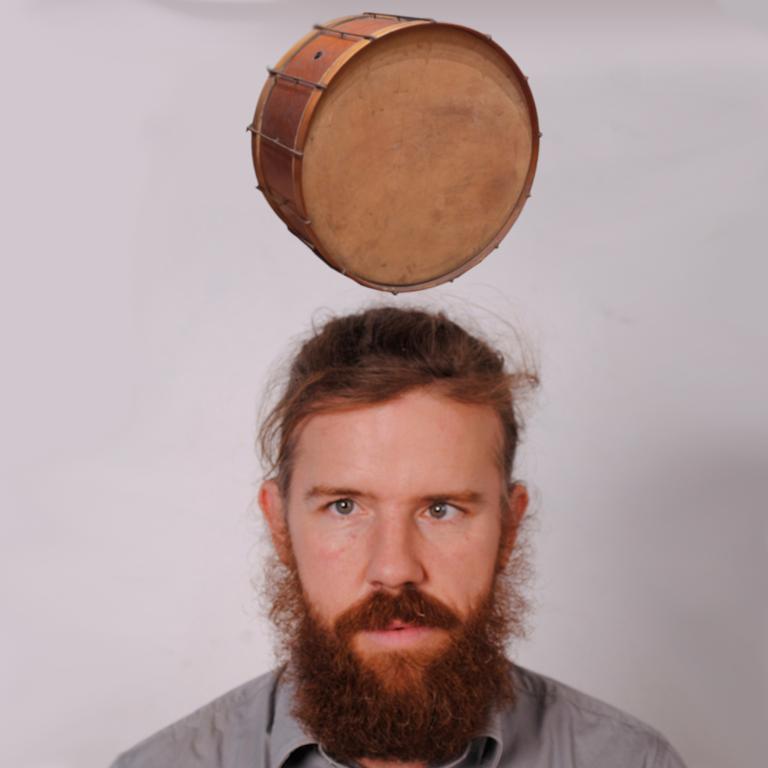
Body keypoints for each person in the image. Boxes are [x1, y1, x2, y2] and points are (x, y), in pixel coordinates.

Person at [111, 306, 687, 768]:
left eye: (441, 509)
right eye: (344, 506)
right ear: (280, 525)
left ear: (509, 527)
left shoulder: (631, 761)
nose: (394, 568)